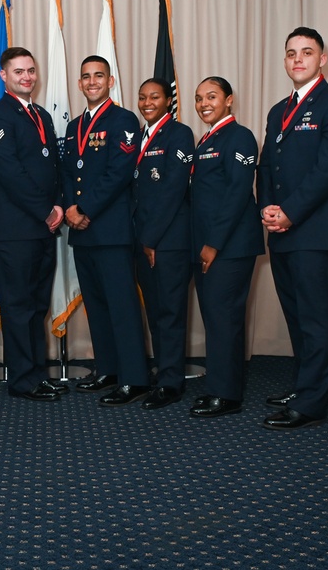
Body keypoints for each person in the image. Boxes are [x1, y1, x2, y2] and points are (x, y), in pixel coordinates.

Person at [257, 26, 328, 430]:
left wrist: (290, 211)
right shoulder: (277, 110)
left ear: (323, 58)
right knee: (297, 316)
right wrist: (267, 206)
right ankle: (305, 385)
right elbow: (267, 165)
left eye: (306, 52)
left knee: (316, 319)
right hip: (281, 229)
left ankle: (313, 402)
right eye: (291, 53)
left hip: (314, 230)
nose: (297, 59)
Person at [61, 56, 150, 406]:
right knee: (96, 305)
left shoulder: (124, 120)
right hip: (82, 231)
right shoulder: (73, 126)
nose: (92, 81)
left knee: (122, 304)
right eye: (86, 77)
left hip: (111, 230)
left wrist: (84, 209)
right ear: (80, 84)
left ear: (110, 81)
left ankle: (134, 377)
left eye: (99, 75)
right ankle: (108, 370)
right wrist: (70, 208)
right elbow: (68, 172)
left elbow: (120, 171)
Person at [0, 47, 68, 402]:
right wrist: (46, 210)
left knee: (36, 307)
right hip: (13, 231)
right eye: (19, 72)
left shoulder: (42, 115)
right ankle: (22, 381)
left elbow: (53, 167)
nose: (27, 77)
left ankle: (36, 373)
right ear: (4, 76)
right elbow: (10, 173)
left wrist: (60, 204)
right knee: (18, 308)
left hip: (42, 229)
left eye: (31, 70)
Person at [188, 77, 264, 418]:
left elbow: (236, 194)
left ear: (229, 100)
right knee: (216, 319)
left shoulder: (240, 137)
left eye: (212, 96)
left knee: (225, 318)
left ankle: (227, 395)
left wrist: (213, 245)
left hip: (229, 247)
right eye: (199, 98)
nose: (205, 103)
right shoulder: (206, 140)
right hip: (209, 246)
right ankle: (218, 387)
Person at [131, 78, 195, 409]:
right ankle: (164, 369)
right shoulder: (141, 136)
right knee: (155, 310)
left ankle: (171, 382)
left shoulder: (179, 133)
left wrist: (152, 239)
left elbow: (173, 190)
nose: (146, 102)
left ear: (167, 100)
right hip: (145, 240)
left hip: (168, 241)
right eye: (142, 97)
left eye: (154, 97)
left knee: (170, 311)